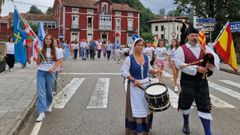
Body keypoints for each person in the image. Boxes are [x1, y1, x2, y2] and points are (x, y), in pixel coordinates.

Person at [174, 26, 220, 135]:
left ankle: (208, 133)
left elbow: (215, 61)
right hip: (187, 81)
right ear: (187, 37)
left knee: (204, 105)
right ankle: (186, 123)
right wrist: (196, 69)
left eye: (196, 35)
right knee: (185, 104)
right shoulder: (181, 49)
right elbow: (179, 65)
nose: (195, 37)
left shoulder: (204, 48)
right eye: (192, 35)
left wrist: (211, 63)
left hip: (202, 82)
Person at [121, 38, 159, 135]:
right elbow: (124, 71)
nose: (140, 47)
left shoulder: (146, 57)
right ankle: (136, 130)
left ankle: (145, 129)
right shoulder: (129, 58)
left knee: (146, 107)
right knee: (136, 108)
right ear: (134, 46)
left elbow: (148, 68)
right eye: (138, 45)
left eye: (142, 45)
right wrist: (133, 79)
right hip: (135, 86)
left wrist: (154, 71)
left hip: (146, 85)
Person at [36, 34, 62, 122]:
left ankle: (49, 103)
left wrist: (53, 68)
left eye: (49, 39)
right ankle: (41, 112)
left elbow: (59, 60)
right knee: (41, 91)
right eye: (46, 39)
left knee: (49, 90)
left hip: (50, 72)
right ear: (44, 40)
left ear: (51, 41)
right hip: (41, 72)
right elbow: (38, 63)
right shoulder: (41, 49)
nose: (47, 40)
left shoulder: (55, 50)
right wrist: (39, 54)